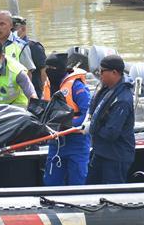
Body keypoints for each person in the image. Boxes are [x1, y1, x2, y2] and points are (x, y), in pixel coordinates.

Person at [86, 55, 135, 185]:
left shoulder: (122, 99)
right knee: (90, 187)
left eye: (102, 71)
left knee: (111, 195)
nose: (99, 74)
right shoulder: (106, 90)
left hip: (116, 156)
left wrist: (93, 128)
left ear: (114, 72)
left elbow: (111, 132)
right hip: (100, 152)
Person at [43, 53, 91, 186]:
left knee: (77, 180)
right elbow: (44, 111)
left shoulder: (76, 86)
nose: (49, 71)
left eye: (52, 68)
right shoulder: (48, 85)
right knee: (51, 181)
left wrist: (66, 125)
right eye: (47, 67)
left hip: (76, 142)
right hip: (56, 142)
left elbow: (87, 113)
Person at [13, 15, 47, 97]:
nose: (11, 32)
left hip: (34, 93)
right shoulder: (8, 46)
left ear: (23, 29)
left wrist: (44, 94)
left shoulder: (34, 47)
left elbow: (44, 72)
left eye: (14, 29)